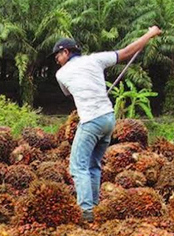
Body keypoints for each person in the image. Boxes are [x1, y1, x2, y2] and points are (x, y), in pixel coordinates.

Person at [52, 26, 161, 222]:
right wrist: (150, 34)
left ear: (66, 52)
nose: (57, 61)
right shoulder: (95, 59)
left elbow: (69, 92)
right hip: (108, 119)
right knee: (93, 165)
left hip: (91, 121)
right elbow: (127, 52)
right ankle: (94, 207)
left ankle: (86, 212)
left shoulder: (61, 74)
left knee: (77, 166)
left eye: (57, 56)